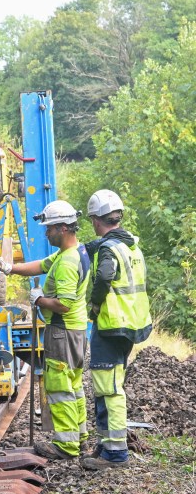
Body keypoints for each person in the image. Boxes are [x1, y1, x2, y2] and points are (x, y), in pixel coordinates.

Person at [0, 200, 90, 460]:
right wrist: (9, 268)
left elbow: (64, 305)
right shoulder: (74, 253)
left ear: (64, 228)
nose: (46, 233)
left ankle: (66, 446)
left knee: (59, 388)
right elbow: (40, 265)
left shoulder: (67, 262)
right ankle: (80, 439)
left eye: (50, 229)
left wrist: (37, 300)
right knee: (74, 386)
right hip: (76, 332)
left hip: (62, 331)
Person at [81, 190, 152, 470]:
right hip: (131, 325)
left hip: (111, 325)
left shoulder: (109, 249)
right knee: (112, 384)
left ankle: (116, 453)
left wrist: (95, 304)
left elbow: (105, 276)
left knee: (108, 389)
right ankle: (107, 443)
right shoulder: (132, 246)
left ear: (98, 220)